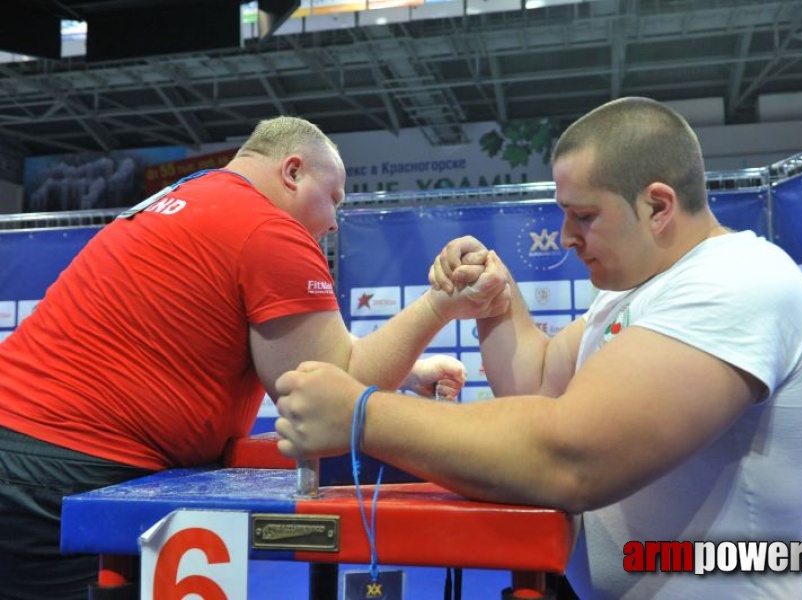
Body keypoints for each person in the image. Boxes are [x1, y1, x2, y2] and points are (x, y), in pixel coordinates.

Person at [273, 98, 802, 599]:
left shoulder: (736, 283)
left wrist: (362, 415)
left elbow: (571, 457)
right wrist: (498, 301)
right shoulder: (645, 288)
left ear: (659, 206)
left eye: (584, 216)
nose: (566, 236)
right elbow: (538, 380)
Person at [0, 116, 497, 599]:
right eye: (334, 199)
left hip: (33, 457)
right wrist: (441, 305)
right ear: (293, 171)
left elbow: (294, 359)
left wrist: (407, 374)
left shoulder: (187, 197)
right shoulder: (267, 227)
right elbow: (328, 388)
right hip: (56, 474)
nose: (331, 222)